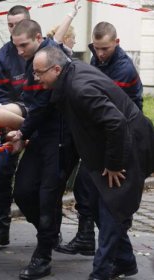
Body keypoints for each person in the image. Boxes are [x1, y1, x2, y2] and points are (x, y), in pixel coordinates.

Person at [30, 45, 154, 280]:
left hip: (128, 144)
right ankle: (125, 262)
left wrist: (115, 164)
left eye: (39, 72)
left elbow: (116, 123)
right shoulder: (71, 72)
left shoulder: (78, 88)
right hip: (115, 142)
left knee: (111, 209)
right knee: (97, 203)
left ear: (56, 69)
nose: (36, 78)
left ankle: (101, 272)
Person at [56, 21, 144, 260]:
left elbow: (118, 117)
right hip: (103, 136)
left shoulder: (123, 69)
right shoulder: (97, 60)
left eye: (105, 48)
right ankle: (89, 240)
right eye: (96, 48)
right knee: (86, 188)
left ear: (116, 42)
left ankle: (114, 255)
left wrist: (115, 159)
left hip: (121, 138)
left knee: (114, 201)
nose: (100, 53)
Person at [9, 10, 80, 279]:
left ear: (38, 38)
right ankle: (48, 233)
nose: (19, 52)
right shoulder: (34, 60)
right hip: (39, 136)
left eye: (23, 45)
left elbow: (40, 108)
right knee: (24, 192)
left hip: (61, 140)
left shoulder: (51, 61)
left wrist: (21, 132)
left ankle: (43, 256)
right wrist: (23, 133)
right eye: (16, 46)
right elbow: (31, 106)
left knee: (48, 196)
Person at [0, 5, 30, 251]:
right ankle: (1, 228)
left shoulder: (46, 52)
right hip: (12, 123)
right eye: (10, 25)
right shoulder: (2, 57)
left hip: (42, 124)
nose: (14, 29)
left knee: (46, 179)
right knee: (0, 172)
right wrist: (14, 131)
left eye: (18, 24)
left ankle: (49, 230)